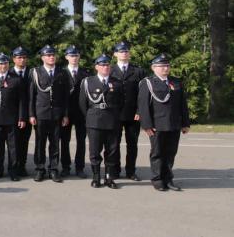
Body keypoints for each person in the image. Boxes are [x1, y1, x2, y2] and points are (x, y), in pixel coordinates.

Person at [138, 54, 190, 191]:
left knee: (171, 153)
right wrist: (147, 125)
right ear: (153, 68)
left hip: (174, 124)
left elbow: (182, 104)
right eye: (162, 66)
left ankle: (168, 179)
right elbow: (143, 106)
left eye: (167, 65)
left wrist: (185, 123)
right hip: (157, 125)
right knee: (157, 153)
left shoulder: (176, 82)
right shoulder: (148, 83)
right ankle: (157, 179)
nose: (165, 68)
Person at [79, 54, 123, 189]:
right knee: (95, 151)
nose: (105, 67)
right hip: (94, 120)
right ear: (96, 67)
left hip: (112, 120)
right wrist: (90, 117)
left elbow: (121, 102)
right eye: (102, 65)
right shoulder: (88, 82)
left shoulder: (117, 82)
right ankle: (96, 177)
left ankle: (109, 178)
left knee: (112, 151)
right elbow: (82, 103)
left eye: (108, 65)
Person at [28, 45, 71, 183]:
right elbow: (31, 96)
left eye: (53, 55)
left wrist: (65, 114)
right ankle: (40, 169)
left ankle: (53, 169)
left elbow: (65, 96)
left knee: (55, 144)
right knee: (40, 143)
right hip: (40, 114)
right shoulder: (35, 72)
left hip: (57, 114)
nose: (51, 57)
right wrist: (31, 114)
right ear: (42, 58)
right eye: (48, 55)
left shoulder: (62, 73)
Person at [111, 41, 146, 181]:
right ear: (115, 54)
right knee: (114, 144)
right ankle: (115, 170)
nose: (124, 53)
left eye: (126, 51)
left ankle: (131, 171)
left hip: (133, 114)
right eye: (121, 51)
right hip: (115, 114)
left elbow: (143, 94)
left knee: (132, 144)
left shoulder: (138, 71)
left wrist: (140, 111)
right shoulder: (110, 70)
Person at [62, 46, 90, 178]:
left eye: (76, 55)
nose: (74, 58)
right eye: (71, 55)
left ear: (79, 57)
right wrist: (63, 113)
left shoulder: (85, 73)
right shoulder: (61, 73)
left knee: (81, 141)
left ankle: (80, 167)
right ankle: (65, 167)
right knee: (64, 141)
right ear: (66, 57)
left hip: (81, 112)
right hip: (66, 112)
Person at [10, 47, 32, 176]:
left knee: (24, 141)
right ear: (14, 59)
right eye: (19, 57)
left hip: (28, 113)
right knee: (13, 143)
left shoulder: (32, 73)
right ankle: (14, 166)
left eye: (24, 57)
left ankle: (22, 166)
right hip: (12, 114)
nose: (22, 60)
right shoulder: (9, 73)